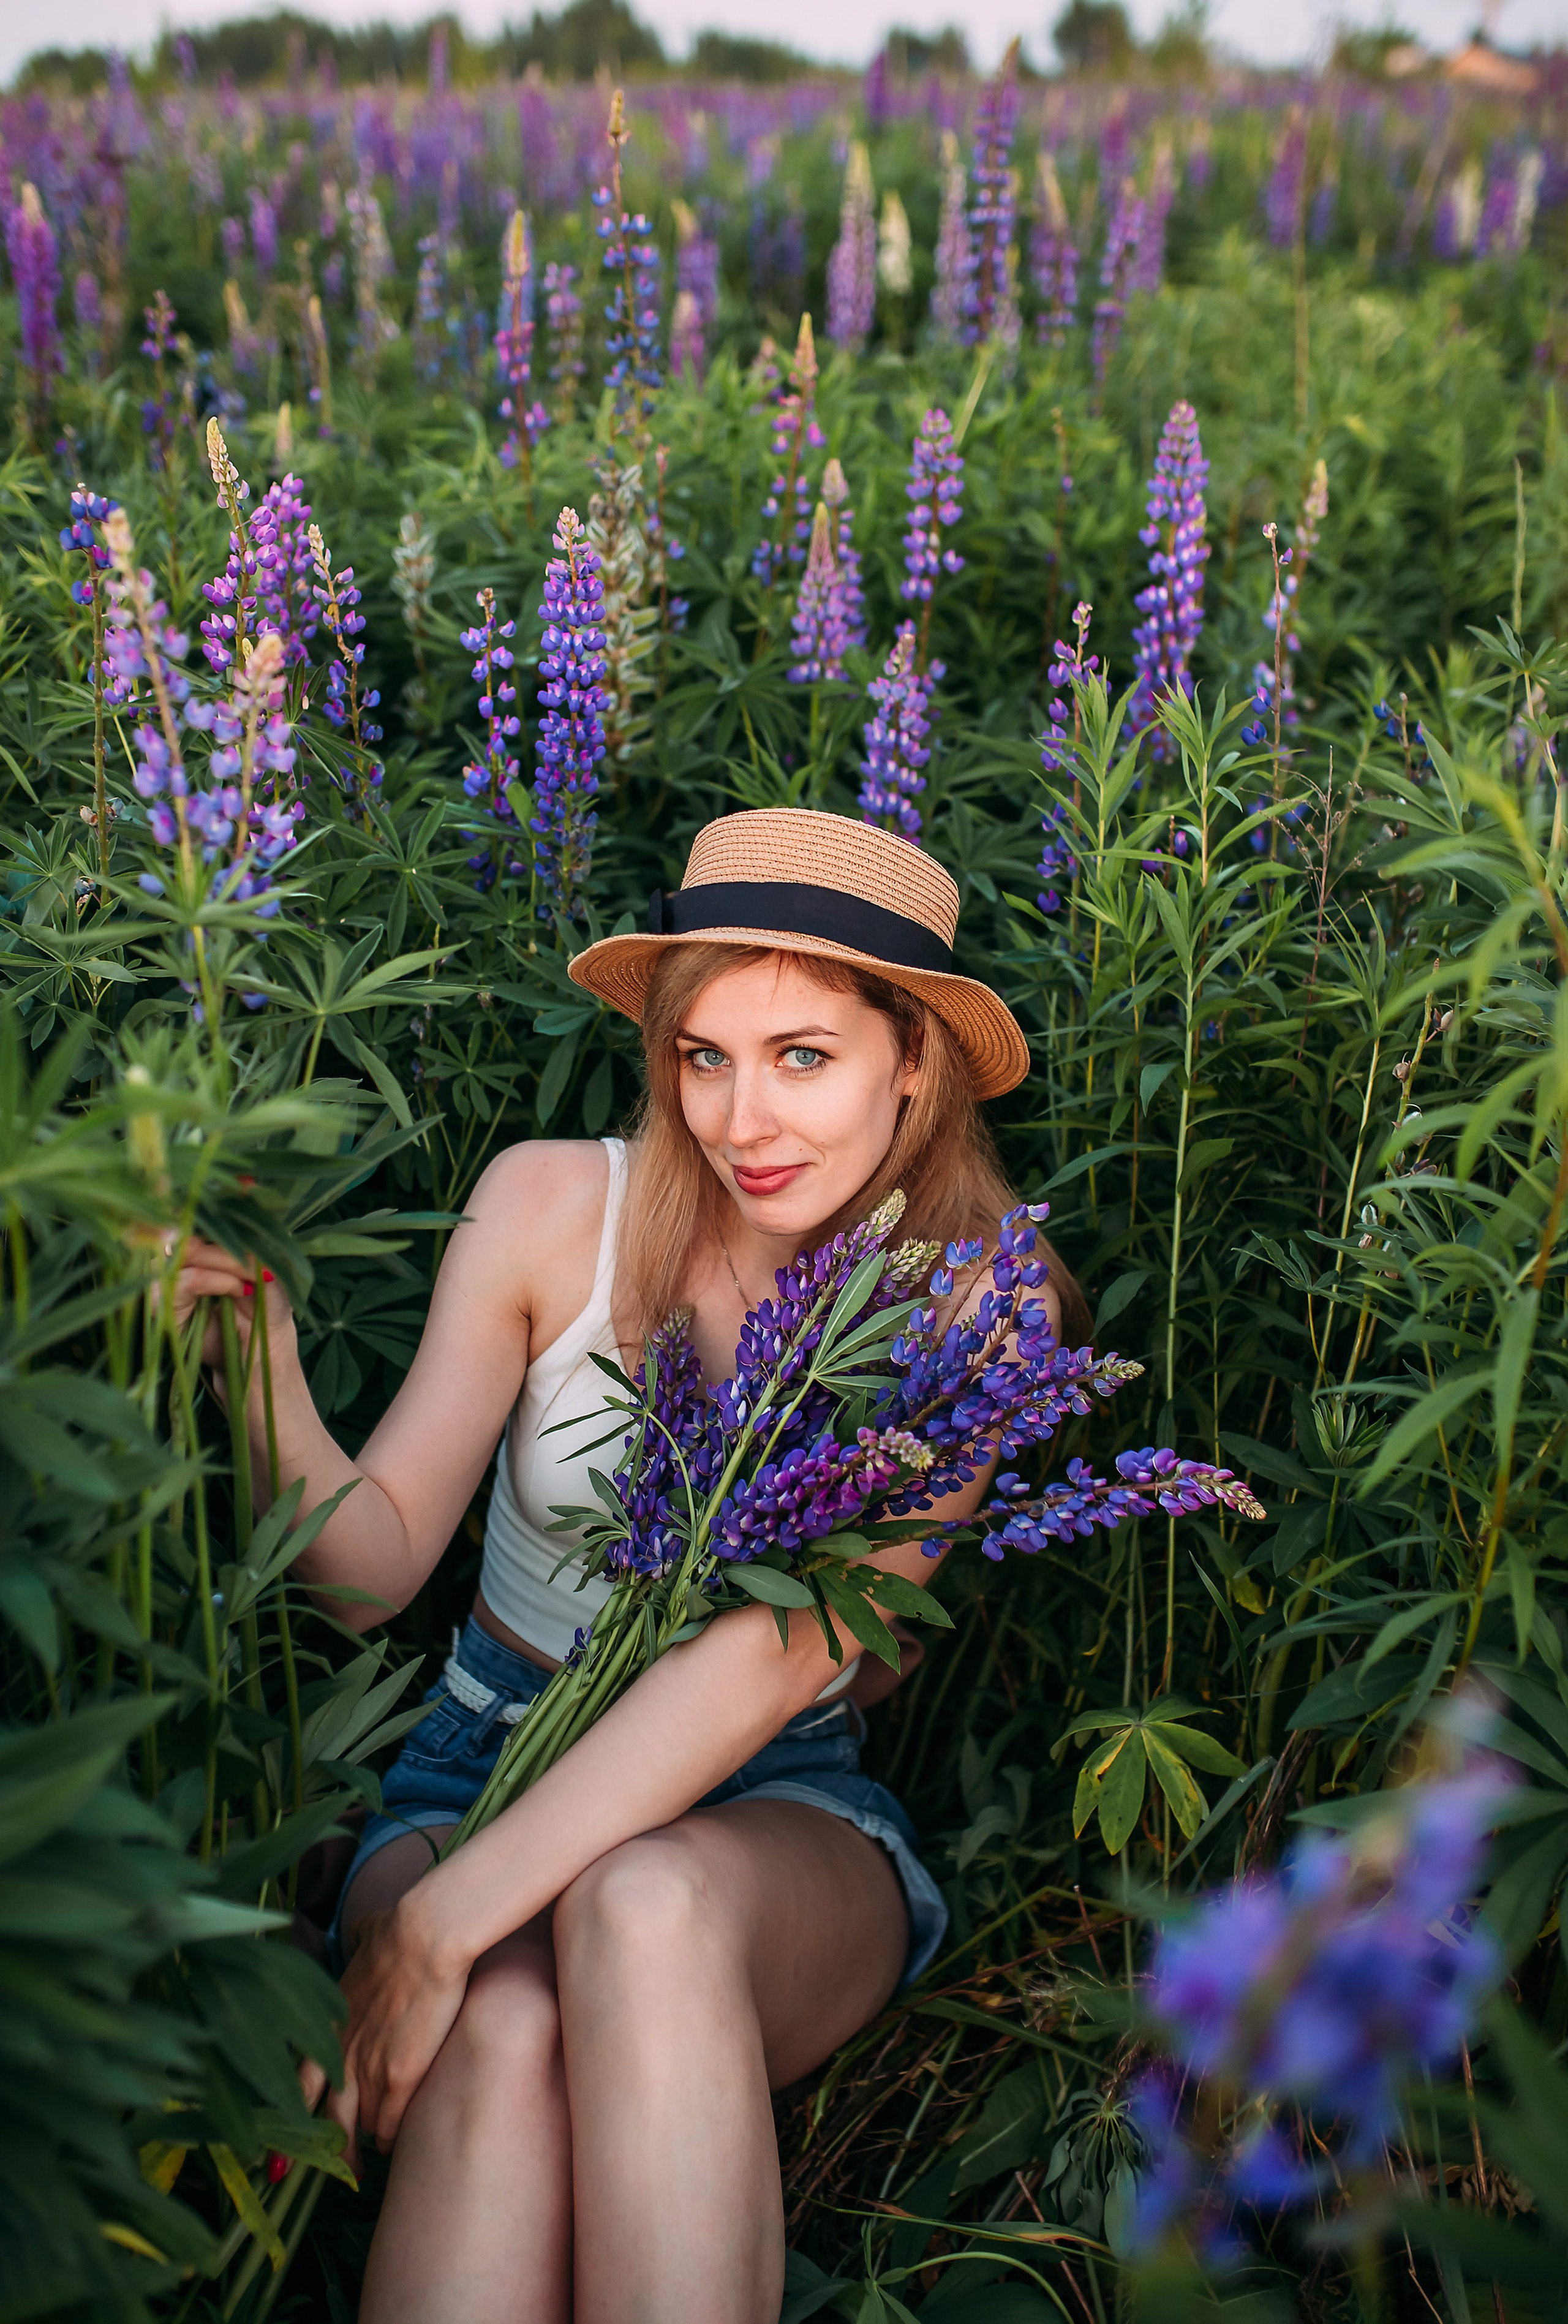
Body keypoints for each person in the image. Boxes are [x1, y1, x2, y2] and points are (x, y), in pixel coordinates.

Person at [174, 807, 1083, 2324]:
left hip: (775, 1799)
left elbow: (775, 1659)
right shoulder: (553, 1207)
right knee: (511, 2024)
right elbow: (370, 1571)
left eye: (803, 1054)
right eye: (703, 1056)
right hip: (482, 1756)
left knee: (641, 1906)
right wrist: (257, 1358)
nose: (740, 1118)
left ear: (910, 1062)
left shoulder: (980, 1317)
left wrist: (435, 1925)